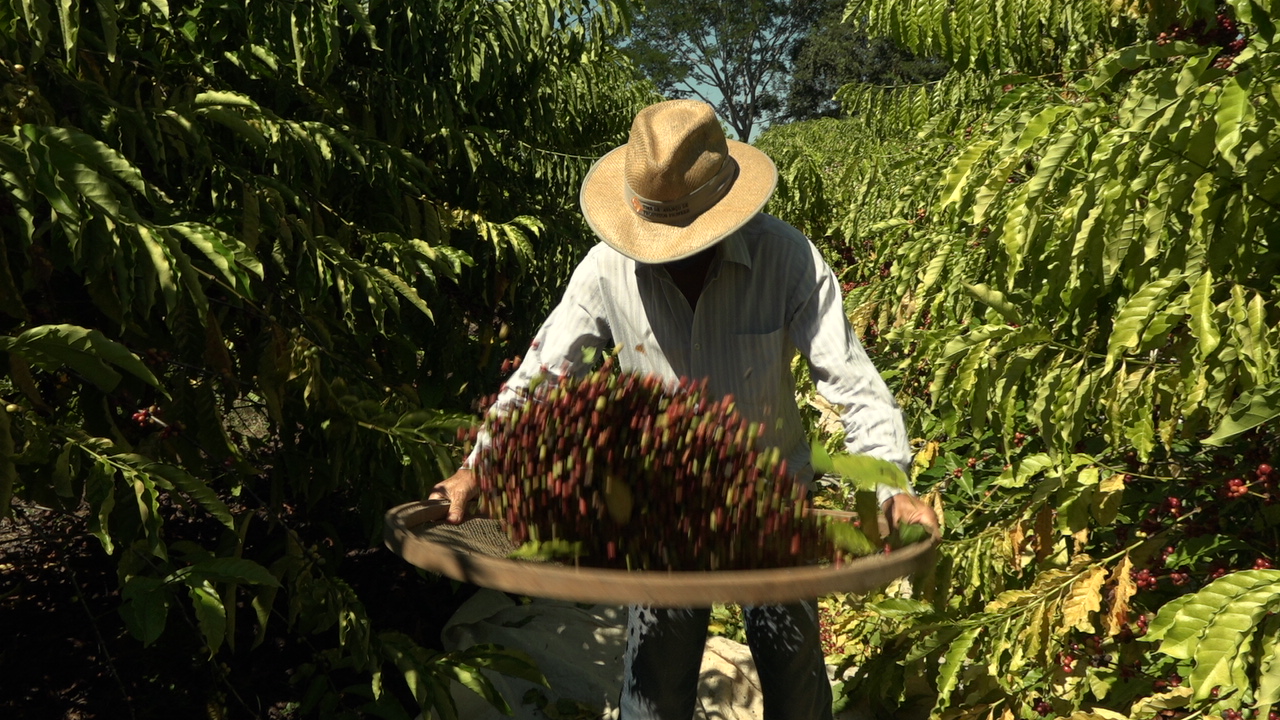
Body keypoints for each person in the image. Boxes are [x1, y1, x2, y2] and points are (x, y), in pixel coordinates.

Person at [428, 99, 939, 720]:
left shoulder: (787, 259)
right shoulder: (606, 269)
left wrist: (891, 483)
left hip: (769, 502)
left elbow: (851, 379)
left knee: (794, 678)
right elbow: (544, 373)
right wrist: (481, 465)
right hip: (661, 512)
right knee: (654, 685)